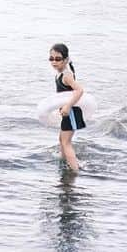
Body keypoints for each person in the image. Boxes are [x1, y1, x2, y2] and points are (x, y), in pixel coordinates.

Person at [49, 43, 85, 172]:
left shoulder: (66, 75)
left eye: (58, 59)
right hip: (66, 112)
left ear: (65, 59)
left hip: (71, 112)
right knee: (62, 139)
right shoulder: (61, 72)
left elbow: (80, 90)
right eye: (51, 58)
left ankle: (74, 171)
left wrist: (68, 106)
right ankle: (65, 163)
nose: (54, 62)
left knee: (66, 142)